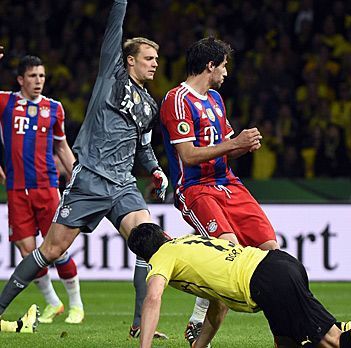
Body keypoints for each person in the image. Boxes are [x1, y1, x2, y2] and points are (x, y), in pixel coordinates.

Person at [0, 0, 169, 339]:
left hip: (123, 185)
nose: (155, 64)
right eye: (149, 58)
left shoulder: (151, 104)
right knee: (51, 250)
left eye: (156, 59)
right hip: (90, 178)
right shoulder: (111, 74)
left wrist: (156, 170)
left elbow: (145, 147)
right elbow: (114, 29)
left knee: (149, 243)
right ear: (130, 60)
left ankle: (139, 325)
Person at [127, 223, 351, 348]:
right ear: (165, 235)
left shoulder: (162, 256)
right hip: (273, 266)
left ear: (145, 256)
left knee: (333, 341)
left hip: (267, 280)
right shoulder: (185, 242)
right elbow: (218, 304)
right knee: (289, 344)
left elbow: (153, 297)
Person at [159, 36, 279, 344]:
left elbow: (224, 148)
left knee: (273, 255)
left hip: (228, 184)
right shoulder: (176, 100)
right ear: (210, 65)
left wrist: (243, 145)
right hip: (196, 188)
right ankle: (200, 327)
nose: (226, 73)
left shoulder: (215, 99)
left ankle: (289, 334)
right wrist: (233, 143)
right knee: (228, 255)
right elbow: (188, 155)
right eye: (224, 66)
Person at [0, 53, 85, 324]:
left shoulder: (54, 108)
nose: (39, 81)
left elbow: (61, 146)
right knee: (27, 251)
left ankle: (76, 305)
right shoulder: (6, 102)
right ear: (20, 79)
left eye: (42, 76)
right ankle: (53, 302)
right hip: (15, 188)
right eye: (33, 76)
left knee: (56, 248)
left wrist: (77, 176)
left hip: (47, 186)